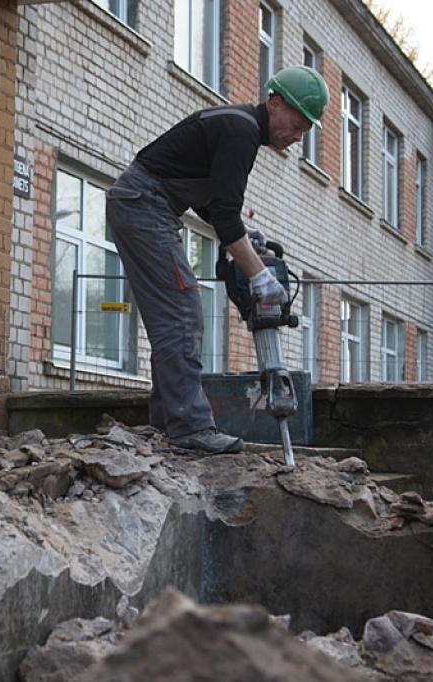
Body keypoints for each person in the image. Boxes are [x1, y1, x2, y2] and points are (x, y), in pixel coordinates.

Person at [105, 65, 329, 454]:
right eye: (294, 124)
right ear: (274, 103)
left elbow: (212, 203)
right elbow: (224, 217)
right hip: (144, 204)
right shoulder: (241, 130)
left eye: (304, 132)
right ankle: (190, 428)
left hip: (142, 202)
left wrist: (245, 236)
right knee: (183, 312)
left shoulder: (240, 127)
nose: (295, 137)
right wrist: (258, 275)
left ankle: (167, 424)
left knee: (176, 315)